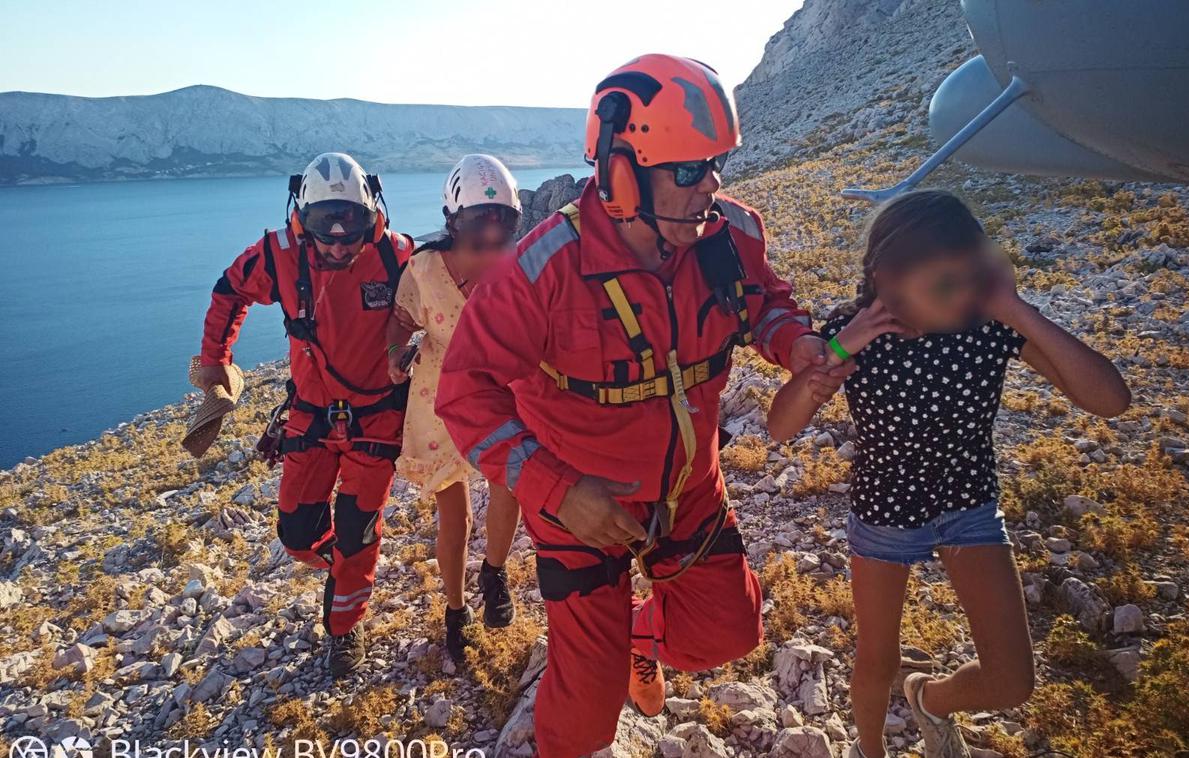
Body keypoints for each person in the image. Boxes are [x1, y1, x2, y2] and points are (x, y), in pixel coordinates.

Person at [435, 54, 854, 756]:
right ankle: (602, 661)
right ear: (623, 172)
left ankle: (637, 634)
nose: (711, 185)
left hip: (689, 490)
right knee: (585, 707)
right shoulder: (541, 272)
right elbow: (464, 393)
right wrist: (559, 493)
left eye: (714, 164)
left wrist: (796, 345)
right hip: (578, 512)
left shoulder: (731, 237)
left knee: (729, 631)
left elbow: (766, 306)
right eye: (689, 170)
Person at [767, 190, 1130, 758]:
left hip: (968, 505)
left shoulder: (986, 324)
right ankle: (869, 751)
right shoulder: (855, 331)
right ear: (886, 278)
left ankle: (929, 699)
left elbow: (1110, 401)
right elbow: (781, 427)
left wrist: (1015, 309)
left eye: (973, 278)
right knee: (876, 659)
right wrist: (839, 348)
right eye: (944, 284)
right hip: (884, 514)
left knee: (1014, 680)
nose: (962, 296)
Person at [197, 152, 413, 679]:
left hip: (378, 421)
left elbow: (450, 304)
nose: (339, 242)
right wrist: (216, 362)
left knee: (359, 531)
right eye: (326, 230)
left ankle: (345, 627)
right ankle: (345, 569)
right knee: (295, 535)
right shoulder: (278, 256)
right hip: (311, 419)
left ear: (370, 213)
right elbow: (229, 291)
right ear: (304, 216)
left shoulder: (397, 256)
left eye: (351, 229)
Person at [385, 154, 522, 664]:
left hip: (500, 386)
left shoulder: (518, 264)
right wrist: (395, 357)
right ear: (452, 224)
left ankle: (495, 572)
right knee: (455, 514)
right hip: (438, 396)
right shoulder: (421, 270)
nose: (489, 246)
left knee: (510, 482)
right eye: (476, 234)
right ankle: (455, 611)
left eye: (500, 233)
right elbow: (399, 322)